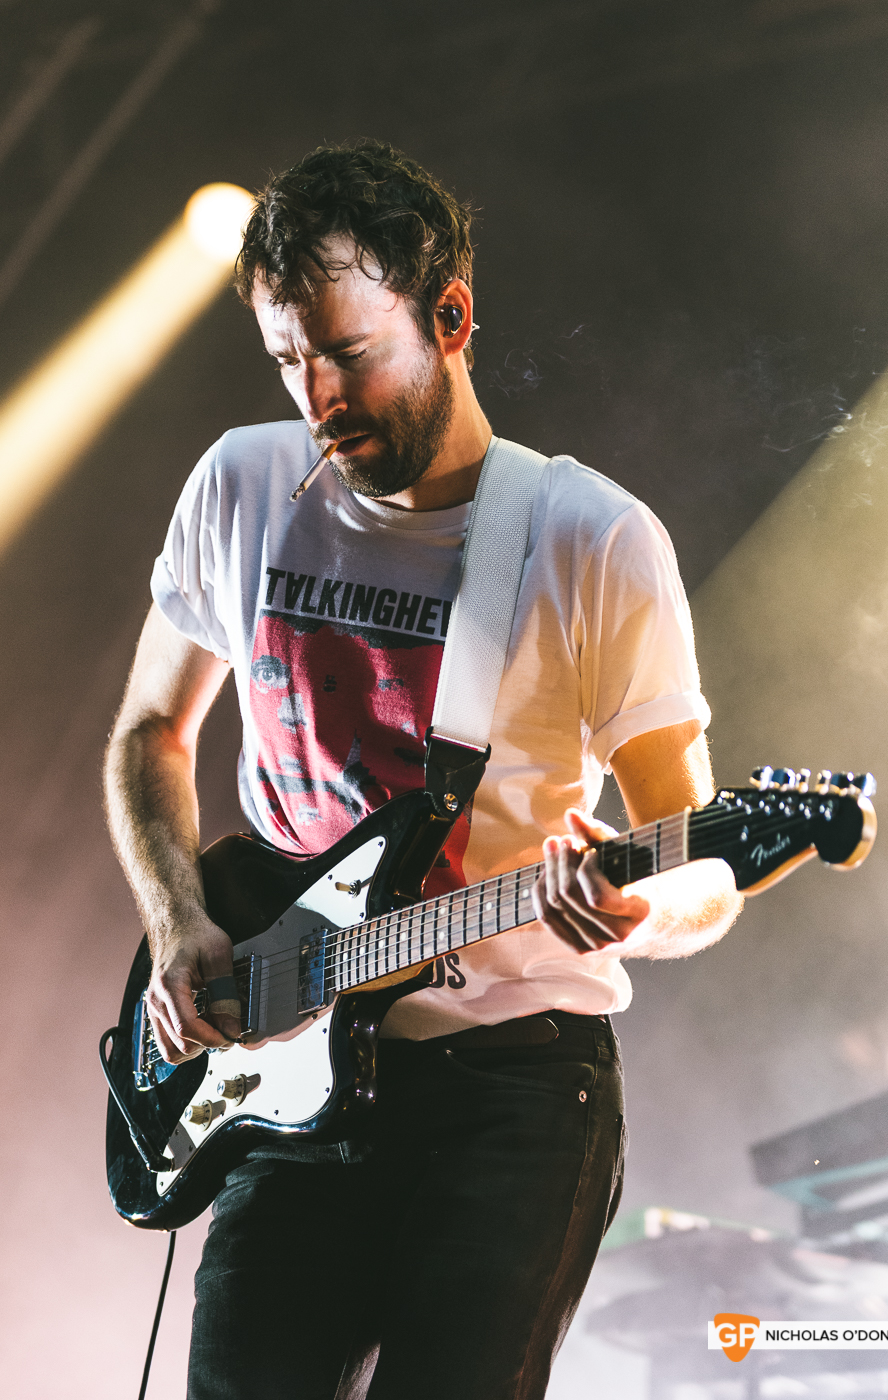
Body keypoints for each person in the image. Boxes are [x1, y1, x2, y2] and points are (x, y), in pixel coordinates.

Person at [104, 140, 742, 1400]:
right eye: (289, 359)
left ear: (448, 317)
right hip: (281, 1079)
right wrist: (179, 920)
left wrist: (632, 903)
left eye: (347, 352)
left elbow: (704, 854)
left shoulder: (585, 537)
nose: (318, 397)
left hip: (508, 1083)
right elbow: (147, 733)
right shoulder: (240, 485)